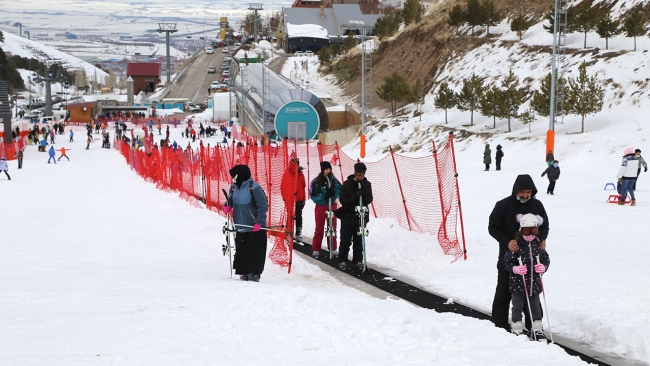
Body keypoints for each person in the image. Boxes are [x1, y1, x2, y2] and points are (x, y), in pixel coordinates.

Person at [488, 174, 549, 333]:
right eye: (522, 192)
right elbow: (493, 227)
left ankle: (533, 325)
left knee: (532, 291)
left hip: (531, 258)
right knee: (503, 289)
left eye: (529, 192)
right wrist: (507, 241)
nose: (526, 195)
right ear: (516, 191)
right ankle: (499, 324)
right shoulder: (503, 205)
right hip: (508, 257)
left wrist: (541, 239)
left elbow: (545, 226)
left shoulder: (537, 205)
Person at [503, 213, 550, 341]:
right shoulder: (516, 245)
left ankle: (537, 328)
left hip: (534, 283)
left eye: (533, 230)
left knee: (535, 306)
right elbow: (506, 262)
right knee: (517, 306)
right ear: (521, 230)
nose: (530, 233)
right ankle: (516, 327)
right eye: (527, 230)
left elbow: (546, 259)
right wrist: (515, 269)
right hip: (518, 283)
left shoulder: (539, 244)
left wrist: (543, 267)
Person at [223, 164, 268, 282]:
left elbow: (263, 207)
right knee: (242, 250)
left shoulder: (254, 188)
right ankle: (243, 271)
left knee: (254, 250)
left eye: (234, 176)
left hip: (254, 227)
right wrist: (227, 206)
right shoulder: (233, 187)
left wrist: (259, 222)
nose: (233, 179)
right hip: (240, 226)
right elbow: (230, 201)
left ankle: (255, 272)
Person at [334, 162, 372, 270]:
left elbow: (369, 199)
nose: (360, 176)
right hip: (348, 215)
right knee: (346, 239)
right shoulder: (347, 184)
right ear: (354, 173)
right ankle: (342, 260)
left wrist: (363, 192)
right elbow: (343, 200)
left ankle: (358, 260)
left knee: (358, 239)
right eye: (358, 174)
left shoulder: (367, 184)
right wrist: (355, 195)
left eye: (362, 174)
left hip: (360, 215)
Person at [309, 161, 342, 258]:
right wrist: (324, 196)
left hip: (332, 205)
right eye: (326, 169)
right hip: (321, 206)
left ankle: (333, 247)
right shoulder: (316, 181)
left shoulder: (334, 181)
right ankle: (316, 248)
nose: (328, 171)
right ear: (322, 169)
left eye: (329, 169)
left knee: (332, 227)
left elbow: (339, 190)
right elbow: (313, 194)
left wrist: (333, 194)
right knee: (319, 227)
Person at [280, 152, 307, 244]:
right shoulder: (287, 173)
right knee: (290, 216)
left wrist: (303, 199)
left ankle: (298, 233)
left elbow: (303, 187)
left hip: (299, 199)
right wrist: (285, 198)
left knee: (299, 216)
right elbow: (283, 187)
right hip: (290, 199)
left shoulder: (300, 174)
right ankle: (289, 233)